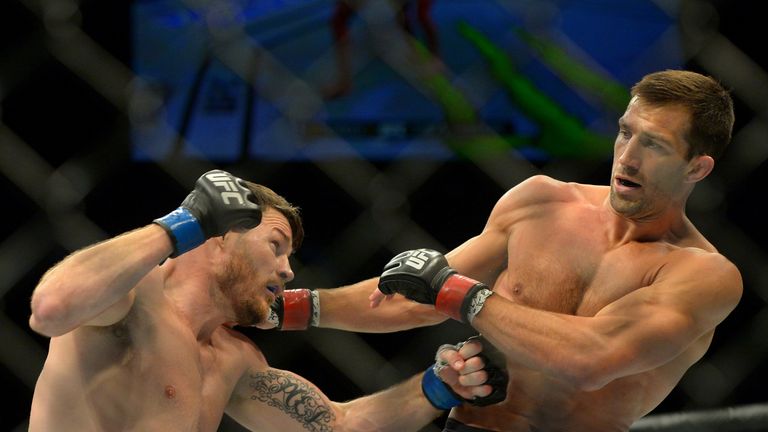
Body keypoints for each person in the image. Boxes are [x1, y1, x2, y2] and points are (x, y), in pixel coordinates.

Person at [266, 69, 744, 431]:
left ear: (697, 169)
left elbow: (593, 359)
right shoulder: (542, 202)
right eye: (625, 131)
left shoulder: (703, 275)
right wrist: (275, 309)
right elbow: (410, 298)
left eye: (655, 145)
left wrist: (459, 295)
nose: (628, 156)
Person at [27, 169, 508, 431]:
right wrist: (182, 224)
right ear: (219, 236)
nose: (287, 270)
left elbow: (339, 425)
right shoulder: (131, 301)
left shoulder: (233, 359)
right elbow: (51, 308)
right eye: (275, 246)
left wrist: (436, 387)